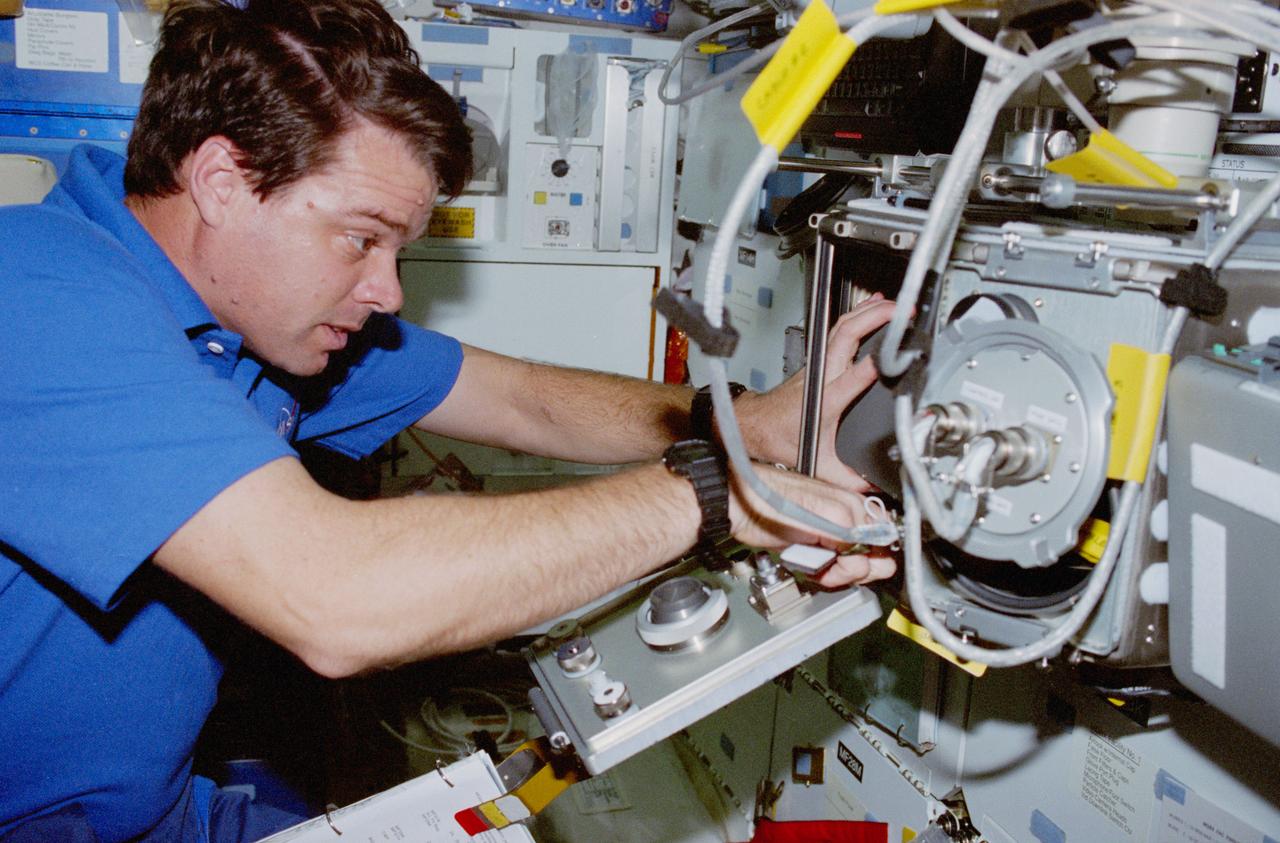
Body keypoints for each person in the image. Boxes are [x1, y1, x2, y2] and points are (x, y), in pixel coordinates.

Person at [0, 0, 896, 839]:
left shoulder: (256, 325)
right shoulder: (37, 295)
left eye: (399, 249)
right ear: (223, 183)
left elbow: (523, 398)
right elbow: (335, 598)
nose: (386, 291)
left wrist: (748, 423)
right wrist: (718, 493)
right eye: (361, 237)